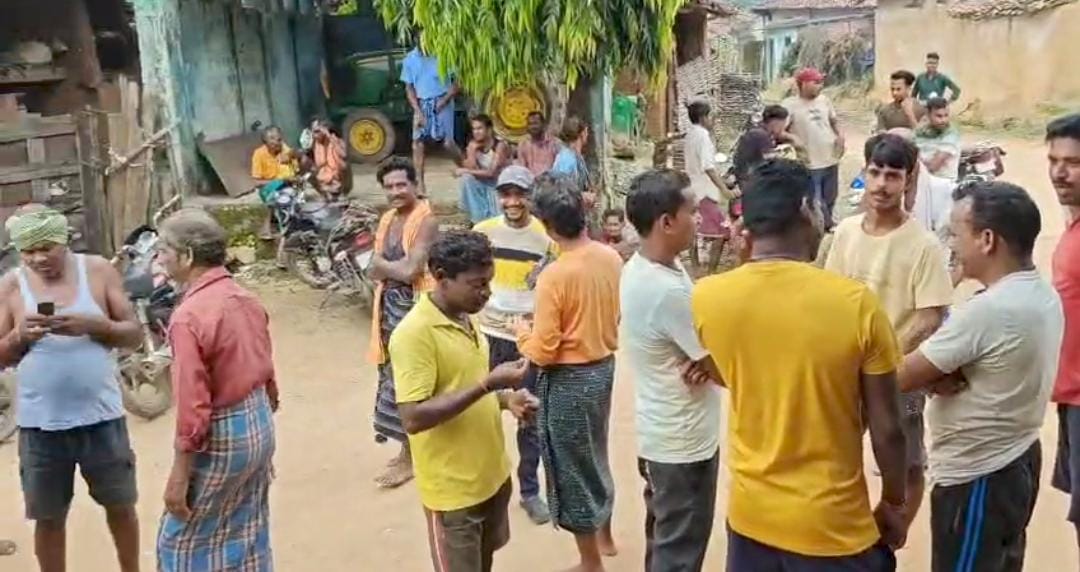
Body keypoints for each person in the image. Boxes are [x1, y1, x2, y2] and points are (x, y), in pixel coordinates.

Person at [692, 159, 907, 570]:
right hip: (832, 528)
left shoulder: (707, 298)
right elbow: (888, 429)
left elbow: (735, 371)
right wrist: (895, 502)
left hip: (751, 521)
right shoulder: (856, 305)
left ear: (747, 225)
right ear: (807, 209)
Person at [897, 181, 1060, 572]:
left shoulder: (988, 312)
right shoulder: (1040, 294)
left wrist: (927, 371)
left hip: (978, 477)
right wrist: (937, 374)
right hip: (1015, 461)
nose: (951, 245)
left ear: (987, 240)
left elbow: (897, 376)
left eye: (956, 234)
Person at [0, 206, 144, 572]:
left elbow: (134, 334)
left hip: (102, 419)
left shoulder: (97, 270)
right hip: (40, 427)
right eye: (28, 251)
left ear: (64, 240)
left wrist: (96, 326)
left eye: (46, 248)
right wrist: (19, 336)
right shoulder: (11, 285)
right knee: (48, 519)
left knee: (120, 506)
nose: (38, 258)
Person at [390, 230, 538, 572]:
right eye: (477, 284)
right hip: (453, 494)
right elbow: (413, 417)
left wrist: (506, 399)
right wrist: (487, 384)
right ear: (441, 278)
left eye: (489, 282)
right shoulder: (414, 335)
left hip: (490, 478)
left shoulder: (467, 316)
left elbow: (463, 385)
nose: (487, 293)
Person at [825, 133, 953, 530]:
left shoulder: (923, 245)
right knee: (836, 454)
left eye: (893, 175)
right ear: (864, 173)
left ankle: (894, 534)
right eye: (875, 172)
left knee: (907, 461)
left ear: (908, 179)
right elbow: (831, 299)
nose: (881, 184)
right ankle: (840, 530)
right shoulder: (846, 232)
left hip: (902, 375)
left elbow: (930, 316)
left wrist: (886, 359)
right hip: (846, 369)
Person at [155, 209, 280, 572]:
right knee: (247, 525)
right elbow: (266, 369)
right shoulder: (244, 297)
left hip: (224, 434)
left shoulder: (188, 317)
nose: (159, 258)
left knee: (180, 540)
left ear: (187, 256)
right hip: (258, 422)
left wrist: (180, 473)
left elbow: (192, 406)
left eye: (164, 250)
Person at [517, 175, 622, 572]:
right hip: (602, 369)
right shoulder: (610, 257)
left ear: (547, 226)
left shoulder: (555, 275)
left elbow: (543, 351)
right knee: (596, 452)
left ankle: (590, 562)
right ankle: (606, 538)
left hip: (569, 380)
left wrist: (521, 333)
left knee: (572, 469)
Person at [622, 169, 722, 572]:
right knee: (679, 554)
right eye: (692, 211)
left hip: (662, 436)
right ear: (666, 221)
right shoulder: (668, 291)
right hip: (683, 446)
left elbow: (708, 358)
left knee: (665, 542)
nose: (698, 219)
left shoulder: (648, 266)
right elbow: (725, 370)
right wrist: (712, 363)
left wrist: (707, 361)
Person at [472, 165, 555, 525]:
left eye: (519, 194)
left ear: (530, 197)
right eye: (506, 194)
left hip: (527, 341)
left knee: (529, 417)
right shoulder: (482, 233)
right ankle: (482, 489)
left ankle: (529, 492)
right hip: (488, 335)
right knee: (480, 410)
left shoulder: (546, 237)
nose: (512, 202)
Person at [366, 156, 439, 488]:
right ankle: (406, 450)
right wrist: (384, 267)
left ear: (414, 185)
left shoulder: (427, 221)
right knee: (391, 377)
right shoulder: (388, 219)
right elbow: (375, 270)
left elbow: (411, 271)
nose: (395, 191)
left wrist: (382, 265)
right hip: (389, 308)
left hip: (415, 308)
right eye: (389, 186)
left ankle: (412, 457)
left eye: (401, 184)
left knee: (411, 382)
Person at [1048, 113, 1080, 558]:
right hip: (1071, 396)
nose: (1059, 172)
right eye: (1053, 160)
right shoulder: (1073, 226)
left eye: (1072, 163)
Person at [782, 67, 846, 230]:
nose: (820, 86)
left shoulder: (824, 100)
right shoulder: (790, 105)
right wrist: (793, 138)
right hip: (809, 161)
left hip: (830, 157)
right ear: (803, 84)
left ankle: (828, 223)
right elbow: (779, 130)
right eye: (816, 82)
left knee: (831, 195)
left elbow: (833, 121)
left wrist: (840, 136)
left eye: (821, 82)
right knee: (814, 199)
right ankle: (817, 227)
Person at [684, 101, 737, 273]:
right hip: (705, 191)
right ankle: (710, 272)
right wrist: (724, 190)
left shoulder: (690, 135)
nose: (713, 120)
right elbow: (708, 167)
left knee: (694, 229)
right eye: (711, 116)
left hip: (693, 188)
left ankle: (696, 266)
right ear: (703, 118)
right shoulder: (703, 136)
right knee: (721, 232)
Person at [402, 44, 462, 195]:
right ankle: (420, 183)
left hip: (442, 100)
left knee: (448, 143)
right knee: (417, 143)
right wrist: (417, 110)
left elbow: (457, 83)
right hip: (421, 103)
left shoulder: (443, 55)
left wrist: (444, 100)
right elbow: (409, 88)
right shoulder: (410, 59)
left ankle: (466, 168)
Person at [731, 104, 804, 192]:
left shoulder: (758, 130)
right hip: (750, 182)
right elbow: (771, 162)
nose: (782, 129)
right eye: (782, 125)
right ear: (775, 123)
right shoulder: (761, 135)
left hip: (748, 178)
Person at [457, 114, 511, 225]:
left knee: (498, 221)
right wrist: (471, 152)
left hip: (499, 186)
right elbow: (473, 170)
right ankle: (476, 218)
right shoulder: (473, 145)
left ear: (489, 130)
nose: (476, 132)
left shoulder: (500, 145)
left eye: (479, 129)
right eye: (474, 129)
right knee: (467, 179)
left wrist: (466, 171)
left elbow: (491, 173)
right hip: (484, 184)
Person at [916, 97, 962, 181]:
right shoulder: (926, 131)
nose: (943, 120)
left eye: (946, 115)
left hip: (942, 181)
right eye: (939, 116)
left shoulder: (950, 136)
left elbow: (933, 167)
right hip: (925, 178)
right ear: (928, 114)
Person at [311, 119, 351, 197]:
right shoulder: (315, 143)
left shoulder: (334, 140)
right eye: (313, 131)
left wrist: (330, 138)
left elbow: (343, 155)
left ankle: (340, 190)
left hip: (336, 174)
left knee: (342, 165)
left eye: (317, 131)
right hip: (323, 174)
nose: (315, 134)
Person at [516, 111, 560, 176]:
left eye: (536, 123)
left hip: (550, 179)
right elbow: (522, 169)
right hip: (530, 180)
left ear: (543, 125)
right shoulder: (523, 144)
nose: (533, 127)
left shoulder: (554, 143)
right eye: (530, 124)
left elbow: (559, 167)